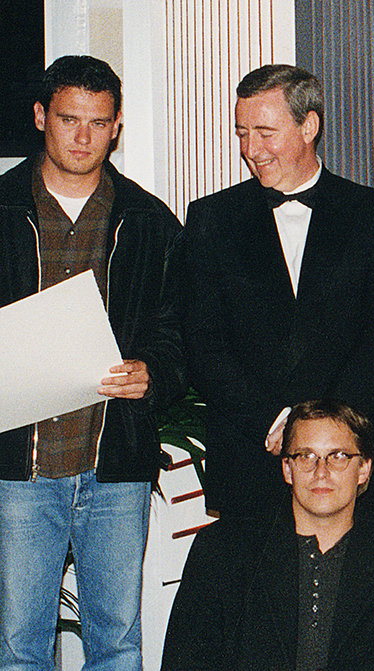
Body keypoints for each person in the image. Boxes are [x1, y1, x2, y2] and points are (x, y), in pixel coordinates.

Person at [0, 55, 182, 669]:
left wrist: (154, 370)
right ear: (39, 117)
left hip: (115, 470)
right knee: (19, 649)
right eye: (69, 118)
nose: (83, 136)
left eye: (98, 122)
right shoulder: (0, 210)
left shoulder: (151, 220)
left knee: (118, 645)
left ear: (117, 126)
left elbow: (179, 330)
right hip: (19, 471)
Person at [174, 64, 374, 515]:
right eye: (242, 133)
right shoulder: (211, 219)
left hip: (351, 460)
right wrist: (276, 421)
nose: (250, 149)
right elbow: (203, 344)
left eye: (265, 132)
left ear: (309, 126)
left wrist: (324, 431)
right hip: (252, 457)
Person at [162, 399, 374, 671]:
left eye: (338, 456)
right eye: (306, 456)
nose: (321, 472)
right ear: (287, 469)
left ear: (363, 469)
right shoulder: (222, 551)